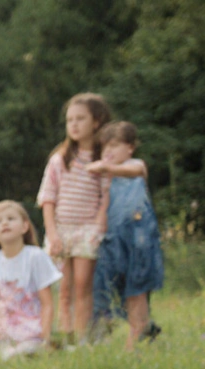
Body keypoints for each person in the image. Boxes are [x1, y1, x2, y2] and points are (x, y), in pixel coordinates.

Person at [36, 93, 111, 342]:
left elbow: (106, 195)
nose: (74, 125)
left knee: (82, 285)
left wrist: (100, 223)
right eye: (70, 120)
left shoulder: (103, 161)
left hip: (87, 230)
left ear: (97, 122)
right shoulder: (60, 160)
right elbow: (47, 198)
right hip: (61, 230)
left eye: (81, 119)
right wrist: (53, 233)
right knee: (64, 287)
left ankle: (81, 337)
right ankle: (65, 335)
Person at [87, 121, 164, 350]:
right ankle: (135, 328)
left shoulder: (135, 165)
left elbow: (133, 171)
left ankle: (134, 343)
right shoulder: (104, 176)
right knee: (103, 287)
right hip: (112, 239)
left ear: (130, 147)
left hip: (138, 237)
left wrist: (103, 167)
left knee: (137, 288)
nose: (108, 152)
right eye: (104, 147)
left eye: (115, 145)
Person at [0, 201, 62, 358]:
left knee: (27, 349)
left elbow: (47, 303)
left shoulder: (36, 256)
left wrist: (45, 336)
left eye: (11, 218)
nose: (5, 223)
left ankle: (24, 348)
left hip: (28, 324)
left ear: (24, 226)